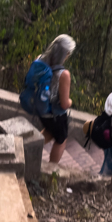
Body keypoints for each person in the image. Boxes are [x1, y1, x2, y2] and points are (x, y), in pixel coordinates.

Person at [37, 34, 76, 163]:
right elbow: (64, 104)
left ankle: (29, 147)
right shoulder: (63, 74)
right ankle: (52, 168)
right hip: (55, 115)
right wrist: (71, 101)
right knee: (61, 140)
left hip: (41, 109)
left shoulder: (39, 61)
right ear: (66, 53)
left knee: (49, 131)